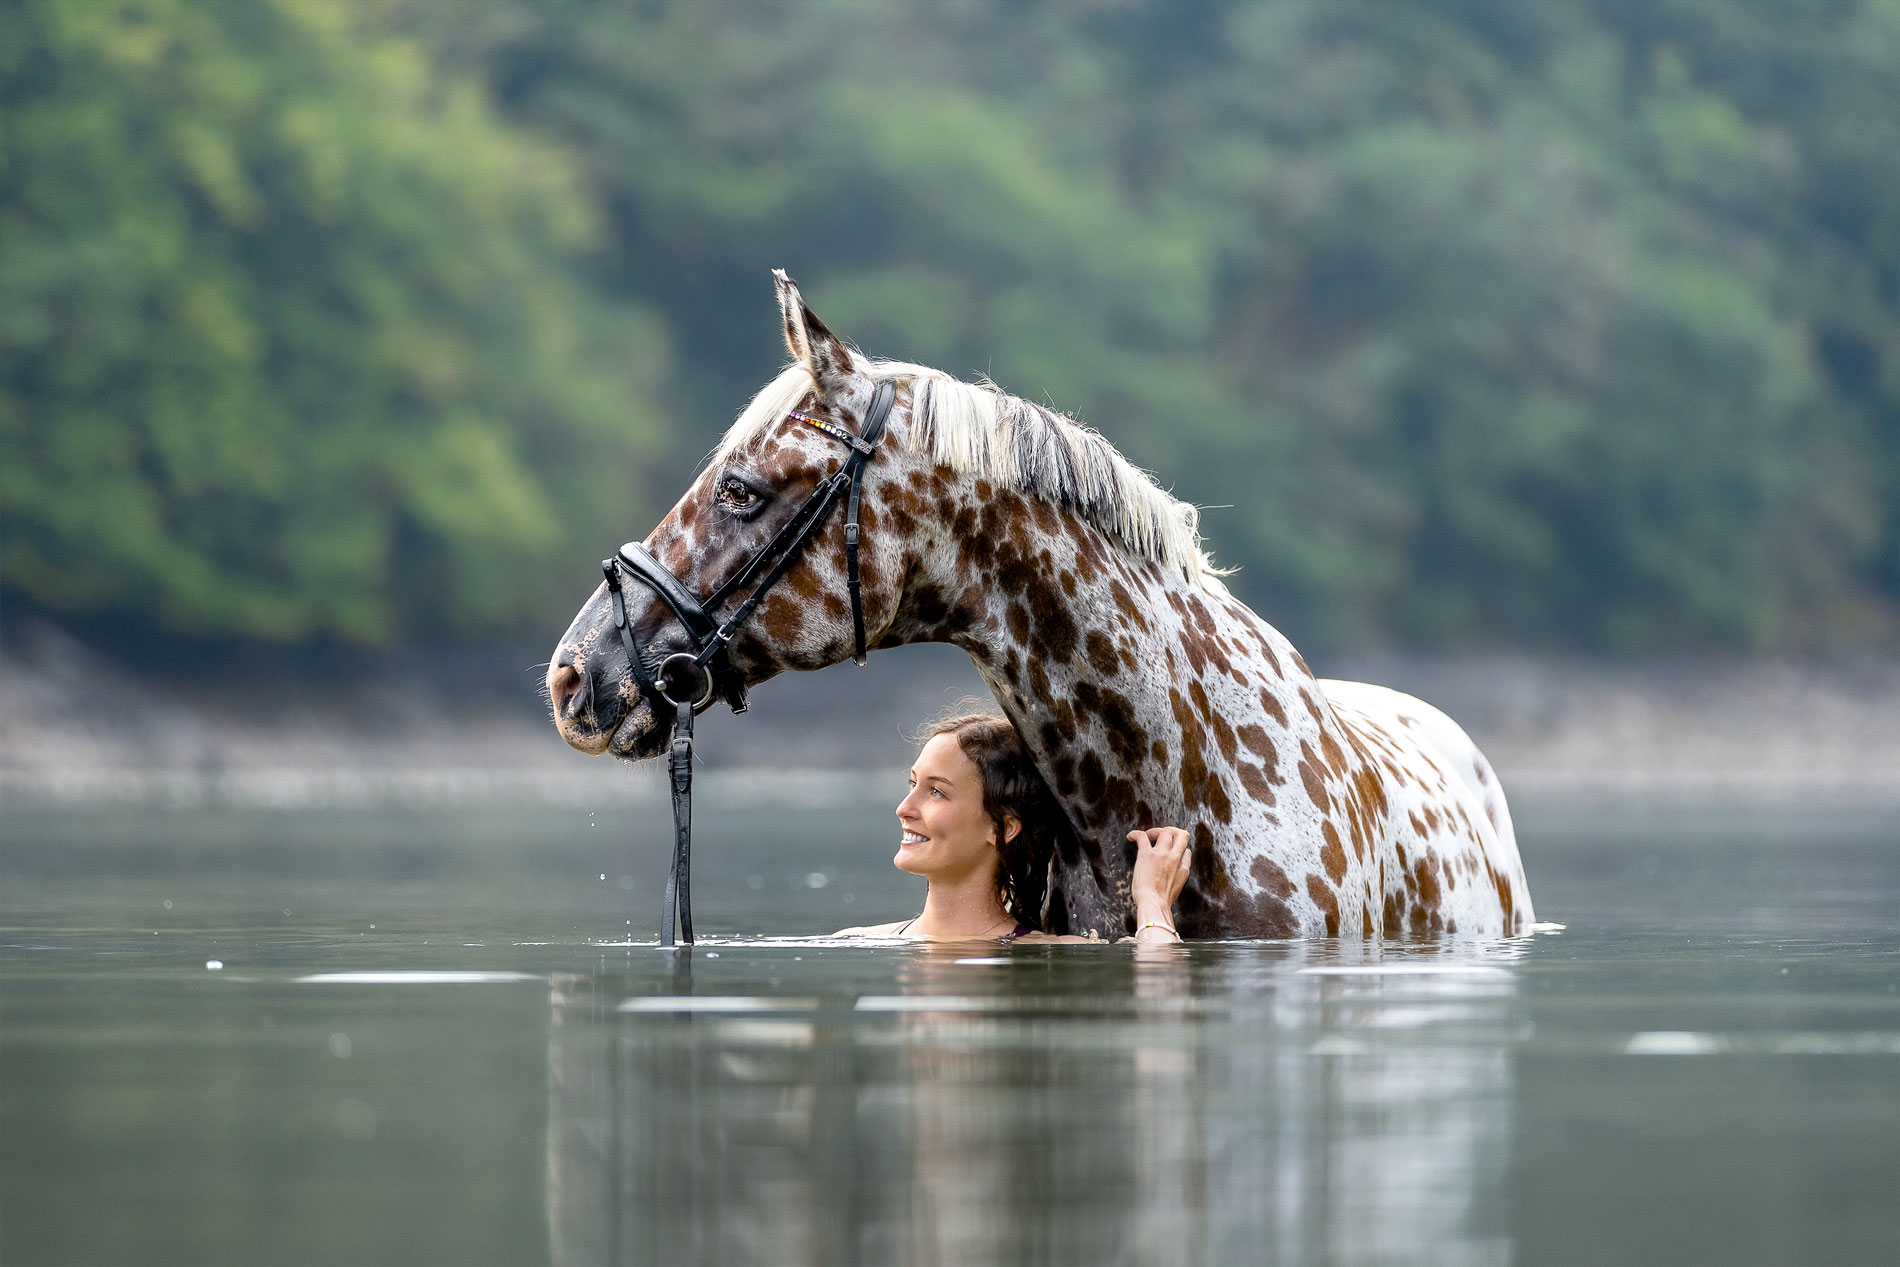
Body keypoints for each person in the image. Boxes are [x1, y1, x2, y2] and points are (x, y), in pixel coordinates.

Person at [835, 712, 1192, 943]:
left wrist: (1152, 903)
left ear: (1004, 828)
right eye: (912, 784)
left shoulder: (1052, 952)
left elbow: (1161, 997)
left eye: (937, 792)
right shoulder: (853, 941)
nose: (904, 808)